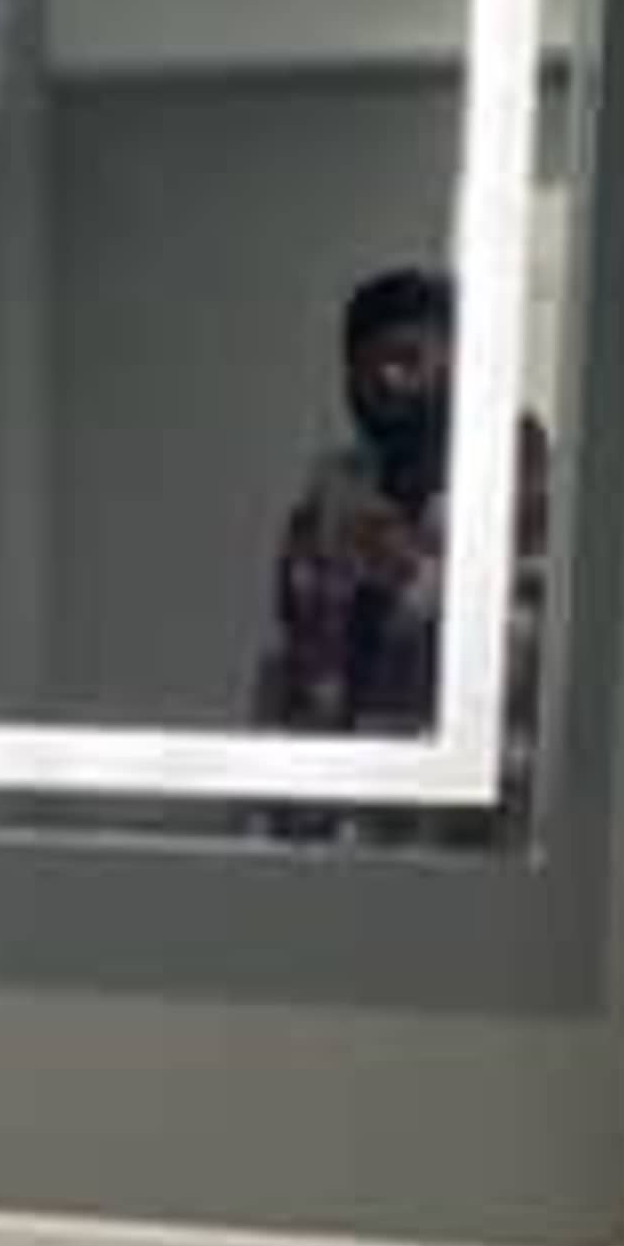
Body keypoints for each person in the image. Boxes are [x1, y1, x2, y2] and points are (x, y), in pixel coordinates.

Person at [253, 263, 550, 834]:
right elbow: (293, 669)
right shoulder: (331, 500)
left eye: (407, 360)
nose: (384, 384)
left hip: (477, 846)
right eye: (363, 368)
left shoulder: (527, 493)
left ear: (467, 366)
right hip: (336, 832)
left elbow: (528, 658)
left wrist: (410, 571)